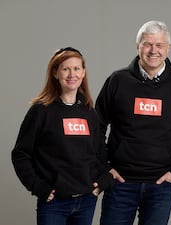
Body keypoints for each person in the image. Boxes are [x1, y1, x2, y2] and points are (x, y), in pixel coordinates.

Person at [95, 20, 171, 225]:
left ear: (168, 48)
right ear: (138, 46)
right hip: (120, 183)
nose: (153, 50)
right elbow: (96, 126)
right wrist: (104, 167)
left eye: (159, 45)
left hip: (161, 185)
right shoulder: (117, 81)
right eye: (147, 44)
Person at [11, 47, 114, 225]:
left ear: (83, 73)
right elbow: (20, 154)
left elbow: (98, 153)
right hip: (54, 204)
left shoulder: (89, 112)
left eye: (76, 68)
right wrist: (37, 186)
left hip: (86, 202)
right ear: (55, 73)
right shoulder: (41, 111)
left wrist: (104, 179)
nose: (71, 74)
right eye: (65, 69)